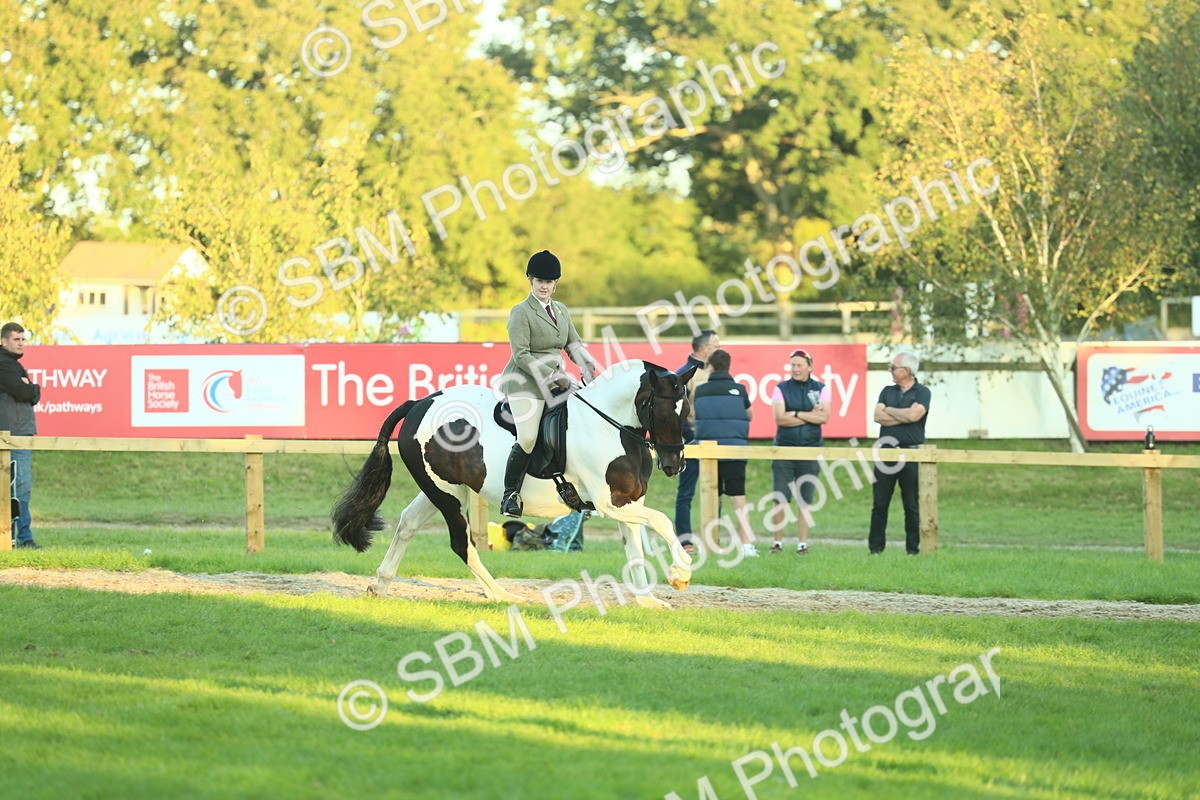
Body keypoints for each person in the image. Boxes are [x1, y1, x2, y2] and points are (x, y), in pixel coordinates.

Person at [497, 251, 599, 517]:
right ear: (530, 280)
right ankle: (510, 495)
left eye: (550, 281)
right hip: (525, 383)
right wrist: (553, 375)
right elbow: (521, 354)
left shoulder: (561, 310)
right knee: (529, 438)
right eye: (540, 280)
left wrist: (588, 366)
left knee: (578, 426)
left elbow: (572, 343)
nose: (544, 285)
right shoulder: (521, 312)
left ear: (556, 283)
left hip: (558, 381)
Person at [692, 348, 758, 558]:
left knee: (712, 499)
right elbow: (749, 415)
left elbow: (695, 416)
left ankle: (711, 543)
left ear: (710, 367)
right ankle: (747, 546)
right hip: (734, 450)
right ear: (728, 367)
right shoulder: (740, 389)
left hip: (708, 451)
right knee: (738, 499)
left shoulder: (701, 391)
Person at [869, 351, 931, 555]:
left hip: (910, 454)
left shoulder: (923, 392)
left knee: (911, 505)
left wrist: (892, 411)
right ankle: (875, 549)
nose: (890, 371)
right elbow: (878, 416)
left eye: (894, 367)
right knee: (879, 504)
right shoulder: (887, 391)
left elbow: (915, 415)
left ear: (908, 370)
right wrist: (904, 415)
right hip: (886, 454)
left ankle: (912, 550)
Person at [769, 348, 830, 555]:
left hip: (811, 450)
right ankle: (777, 543)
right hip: (784, 450)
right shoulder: (781, 388)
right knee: (780, 498)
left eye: (799, 365)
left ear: (809, 367)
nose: (795, 369)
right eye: (793, 365)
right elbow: (780, 418)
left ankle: (802, 544)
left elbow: (824, 418)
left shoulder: (821, 388)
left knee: (805, 499)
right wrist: (805, 414)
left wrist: (792, 413)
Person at [672, 329, 719, 554]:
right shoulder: (684, 374)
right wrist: (692, 440)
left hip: (713, 440)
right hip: (691, 443)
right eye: (716, 346)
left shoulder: (714, 372)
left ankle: (714, 537)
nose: (719, 350)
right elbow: (676, 413)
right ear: (703, 348)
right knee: (686, 492)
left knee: (716, 491)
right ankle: (684, 539)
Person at [1, 322, 43, 549]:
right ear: (4, 341)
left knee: (14, 487)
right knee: (19, 487)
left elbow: (29, 393)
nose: (21, 343)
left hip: (16, 432)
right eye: (16, 339)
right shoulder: (4, 364)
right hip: (13, 434)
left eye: (23, 339)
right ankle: (23, 538)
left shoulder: (12, 364)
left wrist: (31, 388)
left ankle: (15, 537)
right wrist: (33, 388)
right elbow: (22, 391)